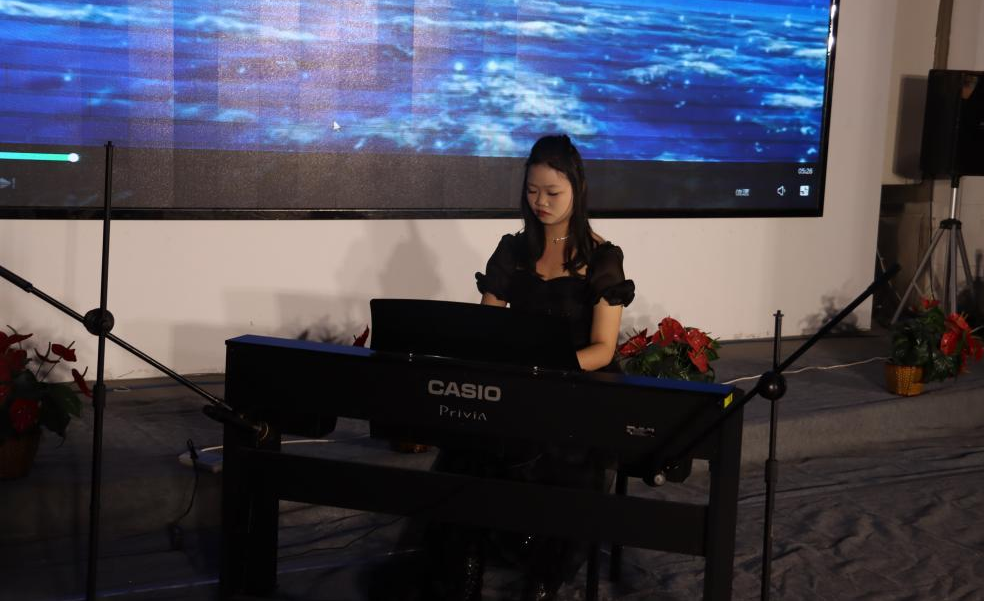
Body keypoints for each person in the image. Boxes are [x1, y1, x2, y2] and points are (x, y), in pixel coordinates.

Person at [428, 134, 634, 600]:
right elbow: (487, 325)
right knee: (469, 446)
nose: (541, 202)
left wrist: (549, 369)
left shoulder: (602, 258)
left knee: (564, 458)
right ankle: (467, 569)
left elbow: (603, 348)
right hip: (519, 383)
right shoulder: (513, 250)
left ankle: (543, 578)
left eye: (552, 192)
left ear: (578, 190)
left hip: (576, 386)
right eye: (532, 191)